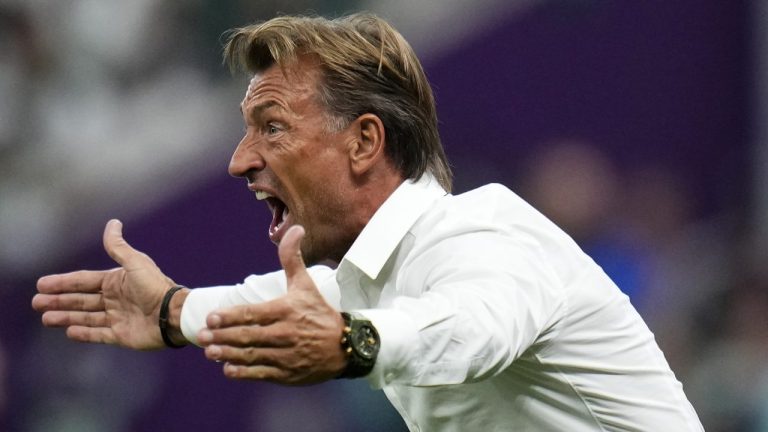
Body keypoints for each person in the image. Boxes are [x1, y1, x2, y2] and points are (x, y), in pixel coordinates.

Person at [32, 13, 704, 431]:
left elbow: (466, 326)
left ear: (363, 143)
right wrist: (173, 311)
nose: (240, 162)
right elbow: (277, 304)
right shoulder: (369, 275)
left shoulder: (483, 237)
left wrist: (354, 343)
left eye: (272, 127)